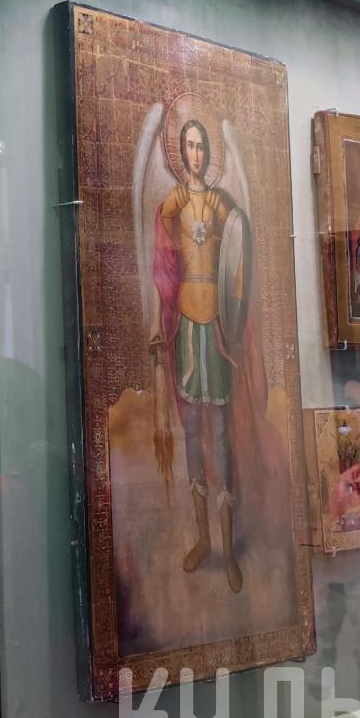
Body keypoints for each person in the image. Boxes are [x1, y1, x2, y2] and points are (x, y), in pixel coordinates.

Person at [148, 115, 262, 593]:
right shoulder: (173, 204)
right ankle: (202, 540)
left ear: (208, 153)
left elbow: (237, 253)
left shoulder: (220, 204)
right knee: (192, 434)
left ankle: (229, 549)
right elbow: (163, 264)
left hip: (214, 326)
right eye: (188, 147)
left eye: (200, 147)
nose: (195, 154)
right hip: (186, 327)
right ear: (181, 153)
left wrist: (232, 320)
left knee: (219, 437)